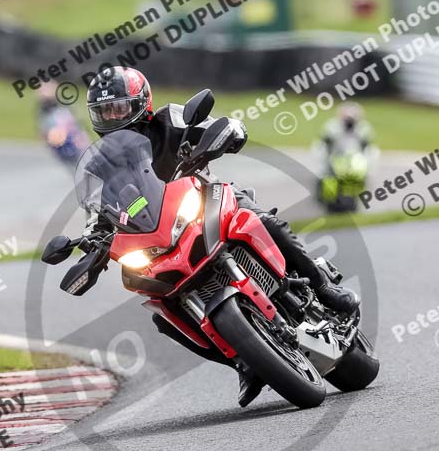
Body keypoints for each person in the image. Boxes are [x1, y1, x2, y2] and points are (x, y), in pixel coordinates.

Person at [85, 67, 360, 407]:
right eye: (104, 111)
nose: (113, 117)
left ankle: (322, 286)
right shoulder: (99, 165)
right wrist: (93, 241)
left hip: (204, 198)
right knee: (163, 312)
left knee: (264, 221)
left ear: (142, 102)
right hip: (158, 235)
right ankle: (244, 363)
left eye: (119, 107)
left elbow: (215, 125)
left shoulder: (170, 119)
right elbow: (96, 212)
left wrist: (229, 132)